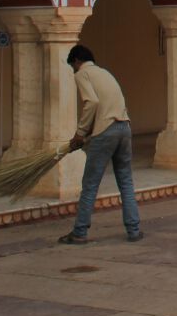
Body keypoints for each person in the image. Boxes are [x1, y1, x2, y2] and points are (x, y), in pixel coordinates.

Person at [61, 44, 142, 245]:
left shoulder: (82, 74)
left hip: (106, 131)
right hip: (124, 127)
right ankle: (134, 229)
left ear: (77, 61)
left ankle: (79, 231)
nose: (73, 70)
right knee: (125, 181)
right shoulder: (104, 73)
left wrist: (80, 133)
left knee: (90, 184)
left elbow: (92, 103)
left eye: (73, 66)